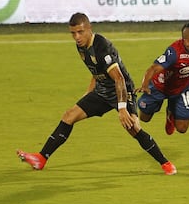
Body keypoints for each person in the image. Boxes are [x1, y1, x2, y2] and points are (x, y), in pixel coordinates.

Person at [17, 12, 177, 175]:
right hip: (102, 91)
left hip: (122, 91)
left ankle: (165, 163)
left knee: (133, 128)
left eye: (80, 32)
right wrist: (88, 94)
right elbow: (96, 71)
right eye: (73, 33)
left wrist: (122, 108)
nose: (77, 37)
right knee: (69, 116)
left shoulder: (101, 47)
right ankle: (41, 158)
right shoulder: (81, 47)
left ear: (89, 28)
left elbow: (119, 80)